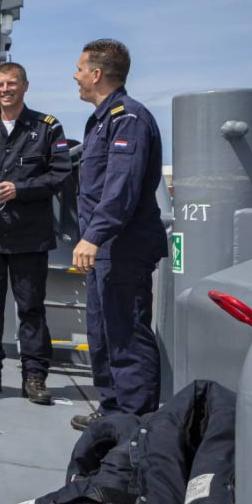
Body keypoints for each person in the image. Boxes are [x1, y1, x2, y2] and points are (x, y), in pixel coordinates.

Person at [0, 62, 71, 405]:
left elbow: (60, 175)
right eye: (0, 85)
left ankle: (34, 377)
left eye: (12, 84)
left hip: (29, 237)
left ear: (25, 86)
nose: (5, 90)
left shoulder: (47, 128)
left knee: (31, 308)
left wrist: (19, 189)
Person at [68, 39, 167, 431]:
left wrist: (93, 236)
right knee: (103, 332)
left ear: (96, 74)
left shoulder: (128, 119)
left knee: (126, 333)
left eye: (79, 69)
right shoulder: (102, 121)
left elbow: (120, 188)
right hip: (104, 248)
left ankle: (134, 424)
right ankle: (112, 414)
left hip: (122, 247)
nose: (74, 76)